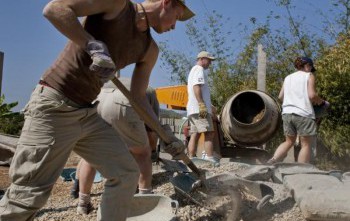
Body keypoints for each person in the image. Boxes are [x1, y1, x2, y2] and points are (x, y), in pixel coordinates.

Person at [0, 0, 194, 220]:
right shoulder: (117, 6)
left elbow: (139, 99)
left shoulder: (149, 50)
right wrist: (91, 44)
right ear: (166, 3)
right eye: (176, 18)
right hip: (54, 105)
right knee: (27, 197)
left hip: (87, 113)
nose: (174, 27)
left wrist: (165, 135)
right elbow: (53, 9)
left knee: (126, 173)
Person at [72, 77, 160, 214]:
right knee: (142, 154)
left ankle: (83, 203)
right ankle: (145, 200)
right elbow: (152, 130)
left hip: (98, 100)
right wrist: (152, 151)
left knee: (92, 155)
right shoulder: (149, 91)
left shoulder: (116, 82)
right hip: (123, 102)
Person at [267, 57, 327, 164]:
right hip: (303, 114)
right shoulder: (309, 76)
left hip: (287, 113)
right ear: (307, 65)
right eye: (311, 67)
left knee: (289, 141)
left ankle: (273, 160)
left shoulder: (288, 77)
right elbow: (312, 95)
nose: (311, 70)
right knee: (306, 144)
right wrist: (322, 102)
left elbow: (280, 97)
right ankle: (301, 169)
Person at [186, 51, 220, 166]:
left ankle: (191, 158)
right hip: (199, 109)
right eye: (209, 60)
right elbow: (197, 87)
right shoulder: (199, 69)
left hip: (193, 109)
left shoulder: (193, 70)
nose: (210, 63)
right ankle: (210, 158)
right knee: (209, 132)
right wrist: (201, 104)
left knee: (195, 133)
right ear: (202, 59)